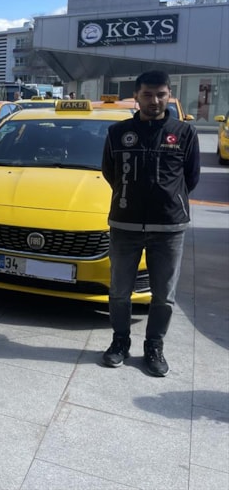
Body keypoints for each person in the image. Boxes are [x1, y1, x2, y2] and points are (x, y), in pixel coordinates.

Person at [100, 70, 200, 376]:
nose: (154, 101)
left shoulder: (184, 133)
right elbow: (110, 173)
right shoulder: (118, 133)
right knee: (119, 291)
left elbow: (191, 177)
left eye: (160, 95)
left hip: (169, 227)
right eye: (147, 95)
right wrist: (130, 196)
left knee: (163, 296)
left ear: (169, 95)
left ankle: (154, 347)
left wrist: (166, 199)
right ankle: (120, 342)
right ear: (136, 97)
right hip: (125, 225)